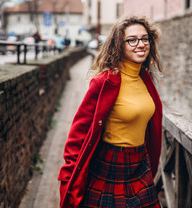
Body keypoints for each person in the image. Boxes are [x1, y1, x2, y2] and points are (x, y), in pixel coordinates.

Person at [58, 16, 163, 208]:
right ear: (119, 45)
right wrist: (68, 180)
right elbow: (77, 136)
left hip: (140, 167)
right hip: (109, 167)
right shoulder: (104, 82)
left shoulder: (146, 79)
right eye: (132, 40)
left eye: (145, 38)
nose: (140, 44)